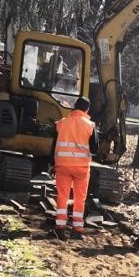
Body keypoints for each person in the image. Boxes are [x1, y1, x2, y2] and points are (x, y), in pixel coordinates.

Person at [53, 97, 98, 240]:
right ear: (87, 110)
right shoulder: (90, 125)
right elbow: (94, 148)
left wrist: (51, 164)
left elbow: (53, 145)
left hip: (63, 165)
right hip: (82, 168)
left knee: (62, 196)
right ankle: (77, 230)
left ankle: (60, 228)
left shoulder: (61, 124)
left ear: (74, 107)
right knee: (80, 199)